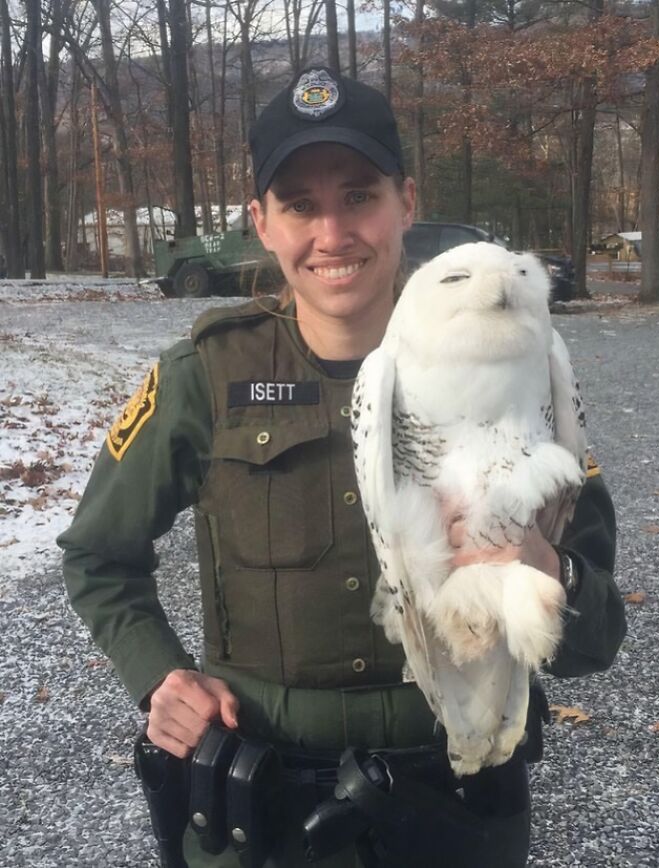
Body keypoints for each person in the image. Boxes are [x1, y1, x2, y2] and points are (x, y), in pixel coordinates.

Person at [59, 66, 626, 868]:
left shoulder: (518, 361)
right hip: (265, 817)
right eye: (300, 205)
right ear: (261, 222)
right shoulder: (207, 375)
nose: (333, 234)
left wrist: (545, 570)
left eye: (359, 195)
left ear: (407, 202)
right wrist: (160, 678)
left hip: (455, 809)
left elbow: (598, 634)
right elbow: (96, 553)